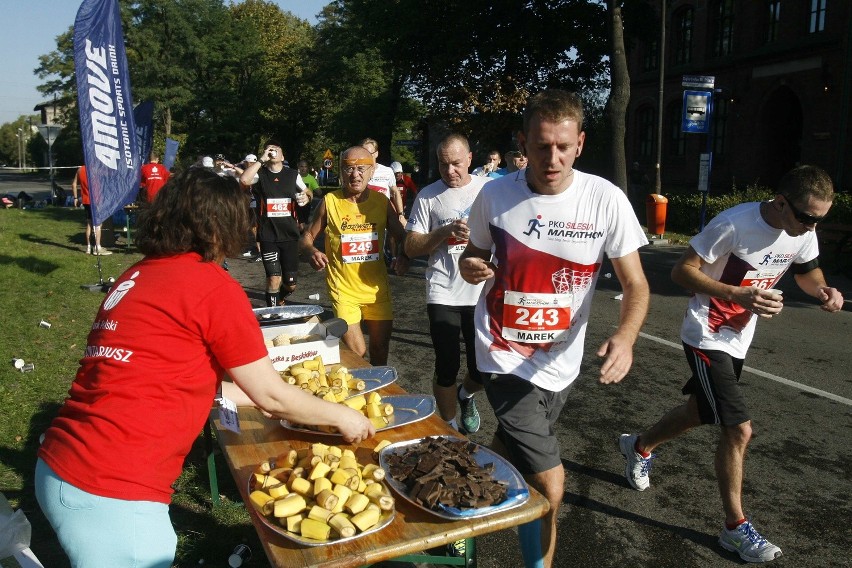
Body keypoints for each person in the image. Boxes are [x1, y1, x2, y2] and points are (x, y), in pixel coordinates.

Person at [35, 168, 373, 568]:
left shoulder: (138, 273)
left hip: (61, 461)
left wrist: (257, 398)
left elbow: (170, 376)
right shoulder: (211, 286)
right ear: (220, 226)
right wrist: (342, 416)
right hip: (112, 490)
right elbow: (271, 393)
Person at [459, 89, 650, 567]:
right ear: (524, 141)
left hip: (562, 361)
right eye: (542, 146)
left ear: (580, 143)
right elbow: (472, 255)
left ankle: (455, 509)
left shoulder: (605, 199)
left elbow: (636, 284)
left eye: (563, 146)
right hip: (501, 353)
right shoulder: (495, 194)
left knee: (505, 454)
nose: (553, 158)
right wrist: (471, 267)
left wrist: (626, 337)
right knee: (550, 481)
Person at [619, 164, 844, 564]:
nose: (811, 228)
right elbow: (681, 270)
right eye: (807, 218)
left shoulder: (801, 232)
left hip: (739, 337)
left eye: (819, 221)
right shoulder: (734, 225)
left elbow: (809, 272)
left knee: (700, 411)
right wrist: (735, 294)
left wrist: (823, 290)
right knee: (738, 429)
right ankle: (734, 529)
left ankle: (640, 445)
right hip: (706, 333)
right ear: (780, 203)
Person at [404, 134, 489, 435]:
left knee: (483, 368)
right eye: (443, 165)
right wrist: (443, 231)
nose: (450, 171)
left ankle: (466, 396)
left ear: (469, 159)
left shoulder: (489, 191)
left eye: (456, 164)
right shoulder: (428, 196)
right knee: (447, 363)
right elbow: (411, 247)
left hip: (482, 291)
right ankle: (450, 428)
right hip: (443, 290)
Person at [300, 146, 409, 365]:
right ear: (341, 172)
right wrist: (311, 251)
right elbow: (306, 238)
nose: (355, 174)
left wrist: (404, 257)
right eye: (349, 169)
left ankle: (376, 394)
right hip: (344, 290)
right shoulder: (330, 202)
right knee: (358, 352)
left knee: (380, 349)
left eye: (361, 169)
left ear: (371, 171)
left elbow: (402, 237)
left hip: (376, 290)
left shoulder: (380, 202)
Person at [240, 140, 311, 306]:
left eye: (276, 149)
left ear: (282, 155)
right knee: (273, 278)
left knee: (291, 284)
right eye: (268, 150)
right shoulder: (260, 174)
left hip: (290, 235)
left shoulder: (292, 174)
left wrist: (306, 197)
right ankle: (273, 315)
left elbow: (308, 191)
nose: (272, 152)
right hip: (268, 235)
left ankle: (280, 297)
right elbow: (244, 180)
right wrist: (261, 160)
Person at [71, 164, 112, 255]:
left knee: (89, 223)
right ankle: (98, 247)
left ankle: (89, 247)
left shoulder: (80, 170)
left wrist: (75, 198)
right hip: (96, 200)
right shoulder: (96, 169)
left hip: (86, 201)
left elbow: (74, 184)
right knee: (98, 224)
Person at [360, 138, 405, 219]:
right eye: (363, 153)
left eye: (369, 153)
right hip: (363, 216)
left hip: (383, 217)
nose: (366, 156)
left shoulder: (387, 171)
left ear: (376, 153)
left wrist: (401, 215)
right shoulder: (357, 172)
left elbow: (395, 192)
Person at [297, 159, 320, 229]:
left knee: (304, 223)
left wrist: (315, 191)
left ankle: (303, 236)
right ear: (298, 167)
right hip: (295, 203)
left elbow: (319, 192)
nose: (303, 168)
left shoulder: (311, 178)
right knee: (299, 223)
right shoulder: (294, 177)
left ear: (308, 168)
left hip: (306, 204)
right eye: (301, 166)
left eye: (305, 166)